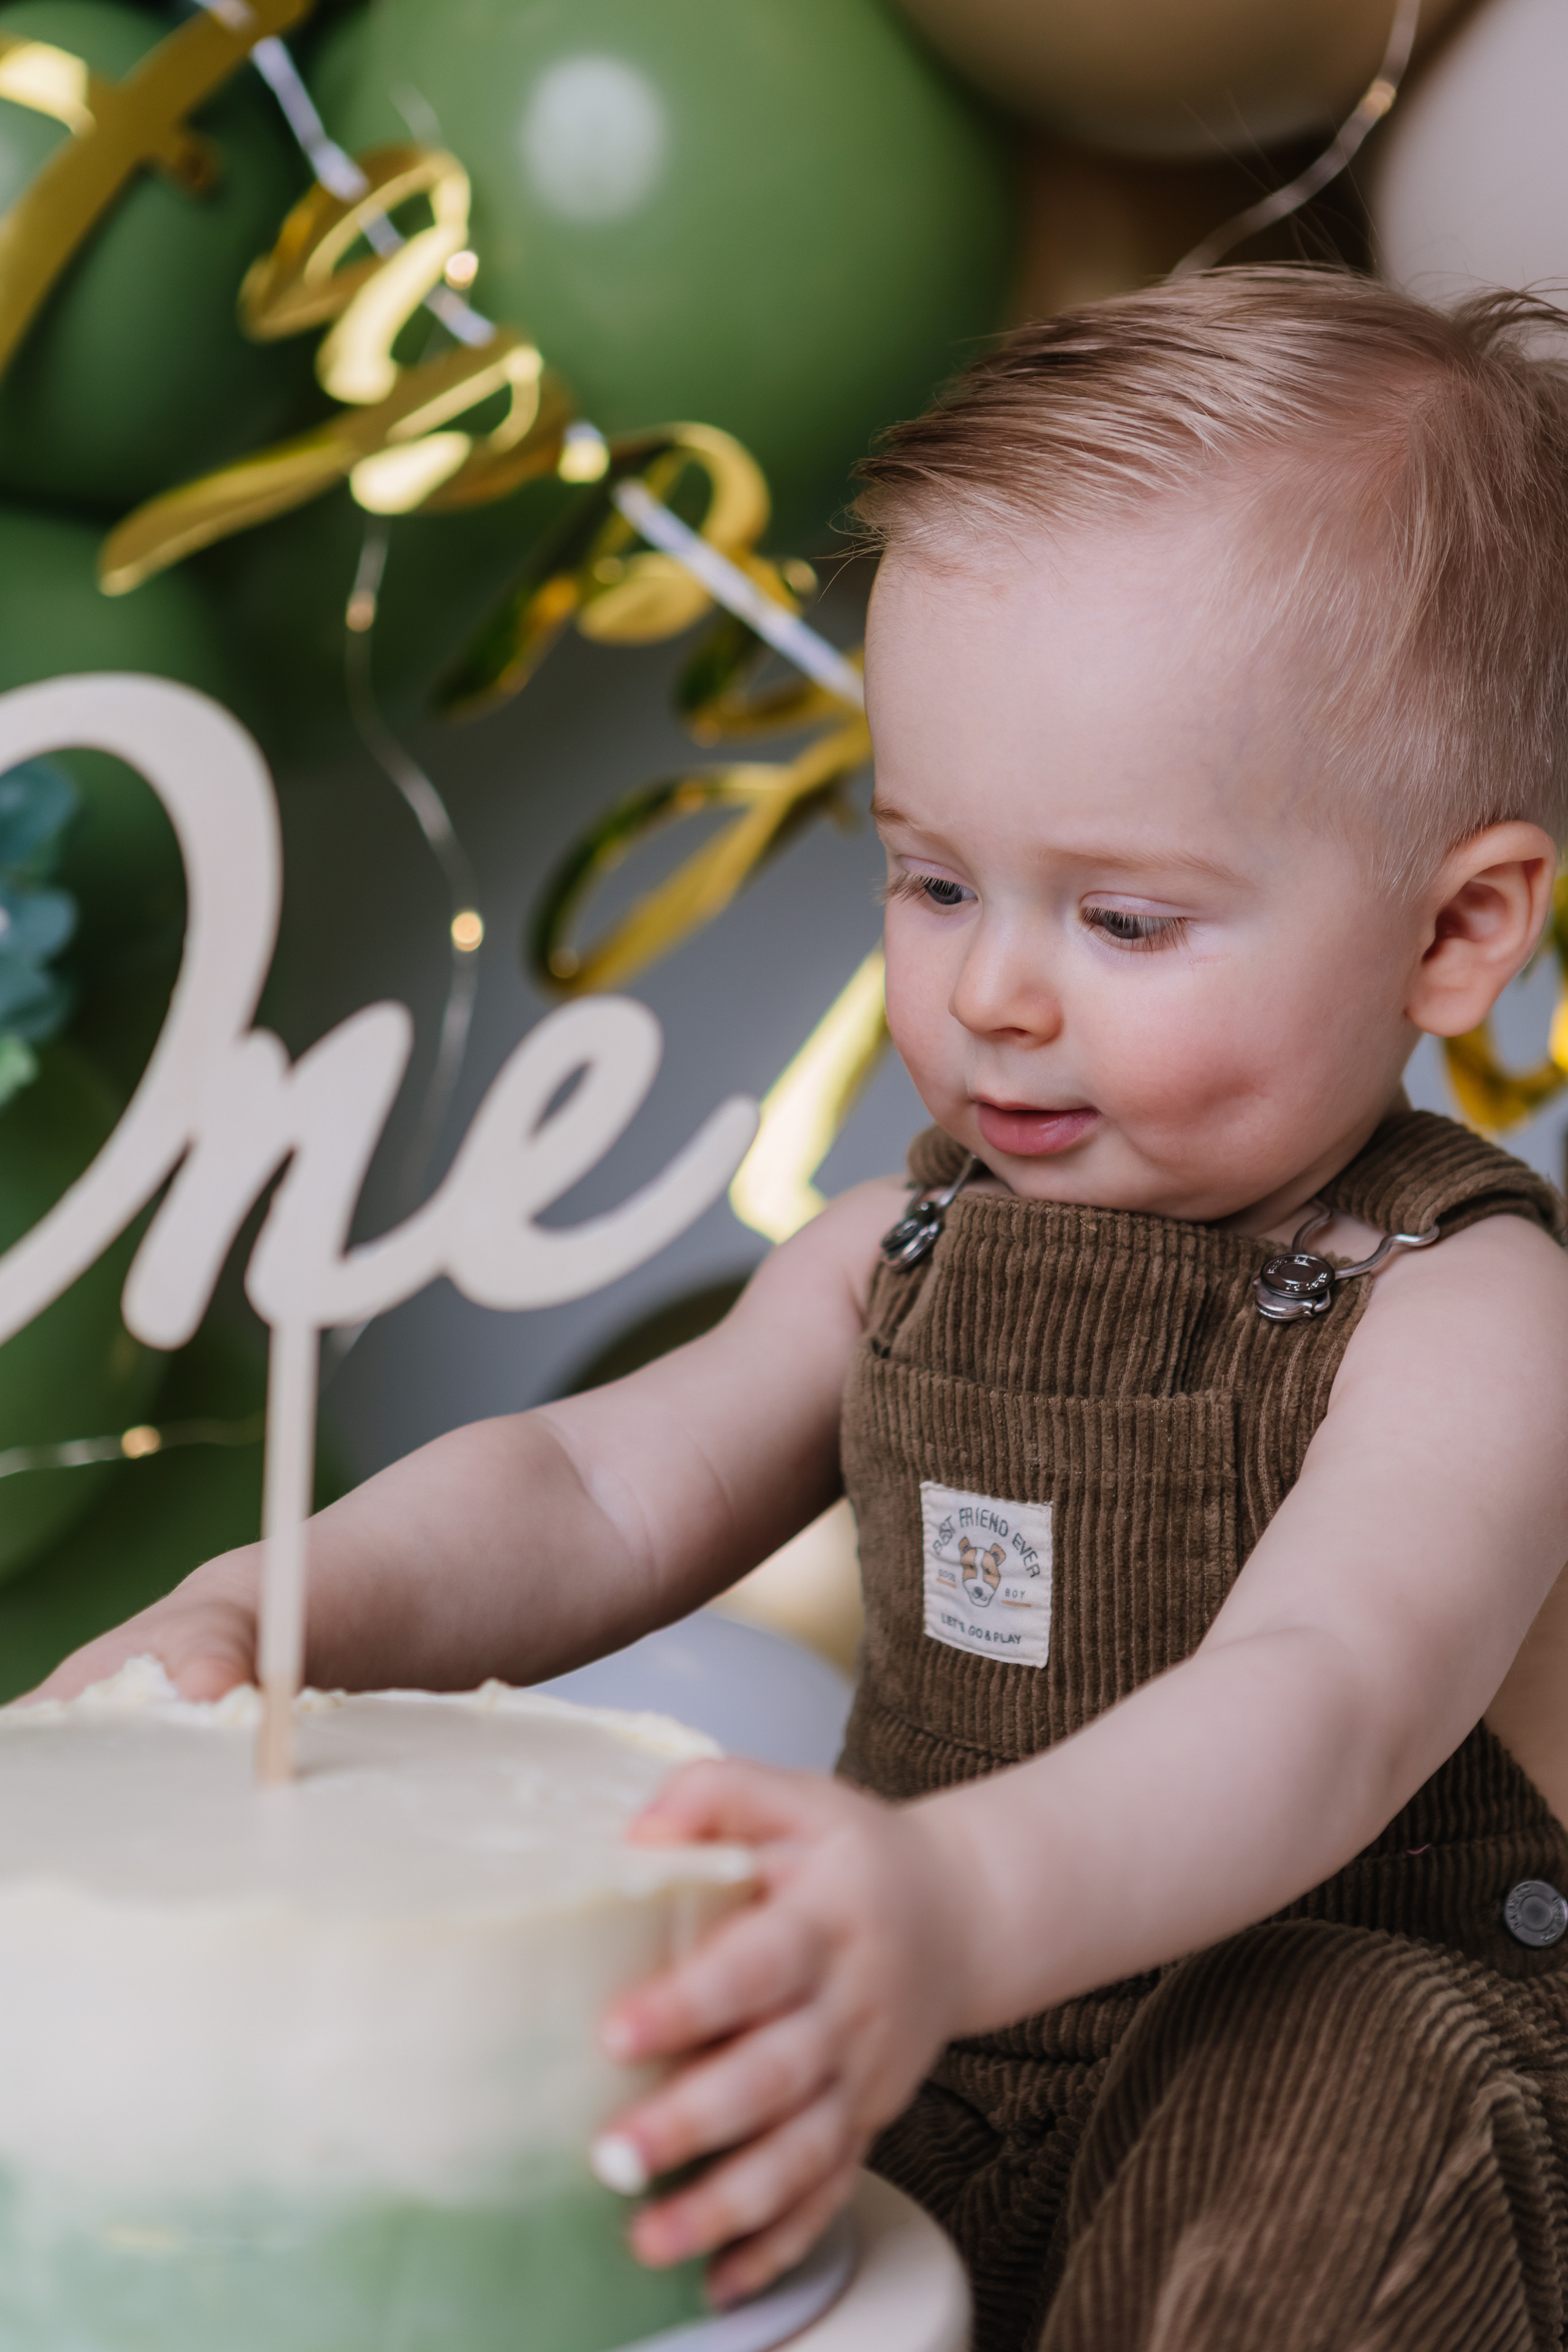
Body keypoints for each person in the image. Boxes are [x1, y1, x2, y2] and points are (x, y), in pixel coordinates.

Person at [40, 270, 1568, 2352]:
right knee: (672, 2076)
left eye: (1123, 916)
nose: (995, 992)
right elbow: (590, 1487)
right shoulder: (902, 1248)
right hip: (924, 2015)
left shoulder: (1465, 1311)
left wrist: (953, 1905)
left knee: (1324, 2044)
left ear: (1459, 928)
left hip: (1358, 2137)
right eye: (934, 879)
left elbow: (1321, 1701)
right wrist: (273, 1616)